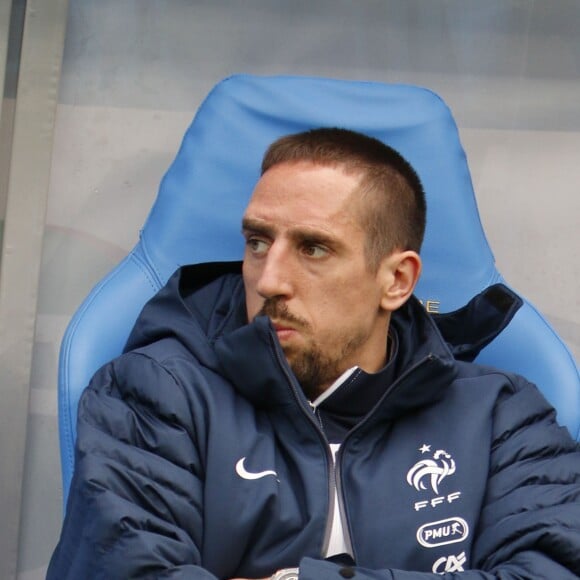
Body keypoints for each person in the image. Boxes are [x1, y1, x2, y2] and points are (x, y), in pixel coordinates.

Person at [48, 128, 580, 579]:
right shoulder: (151, 394)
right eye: (257, 243)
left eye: (314, 248)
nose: (269, 279)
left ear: (397, 280)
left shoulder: (499, 416)